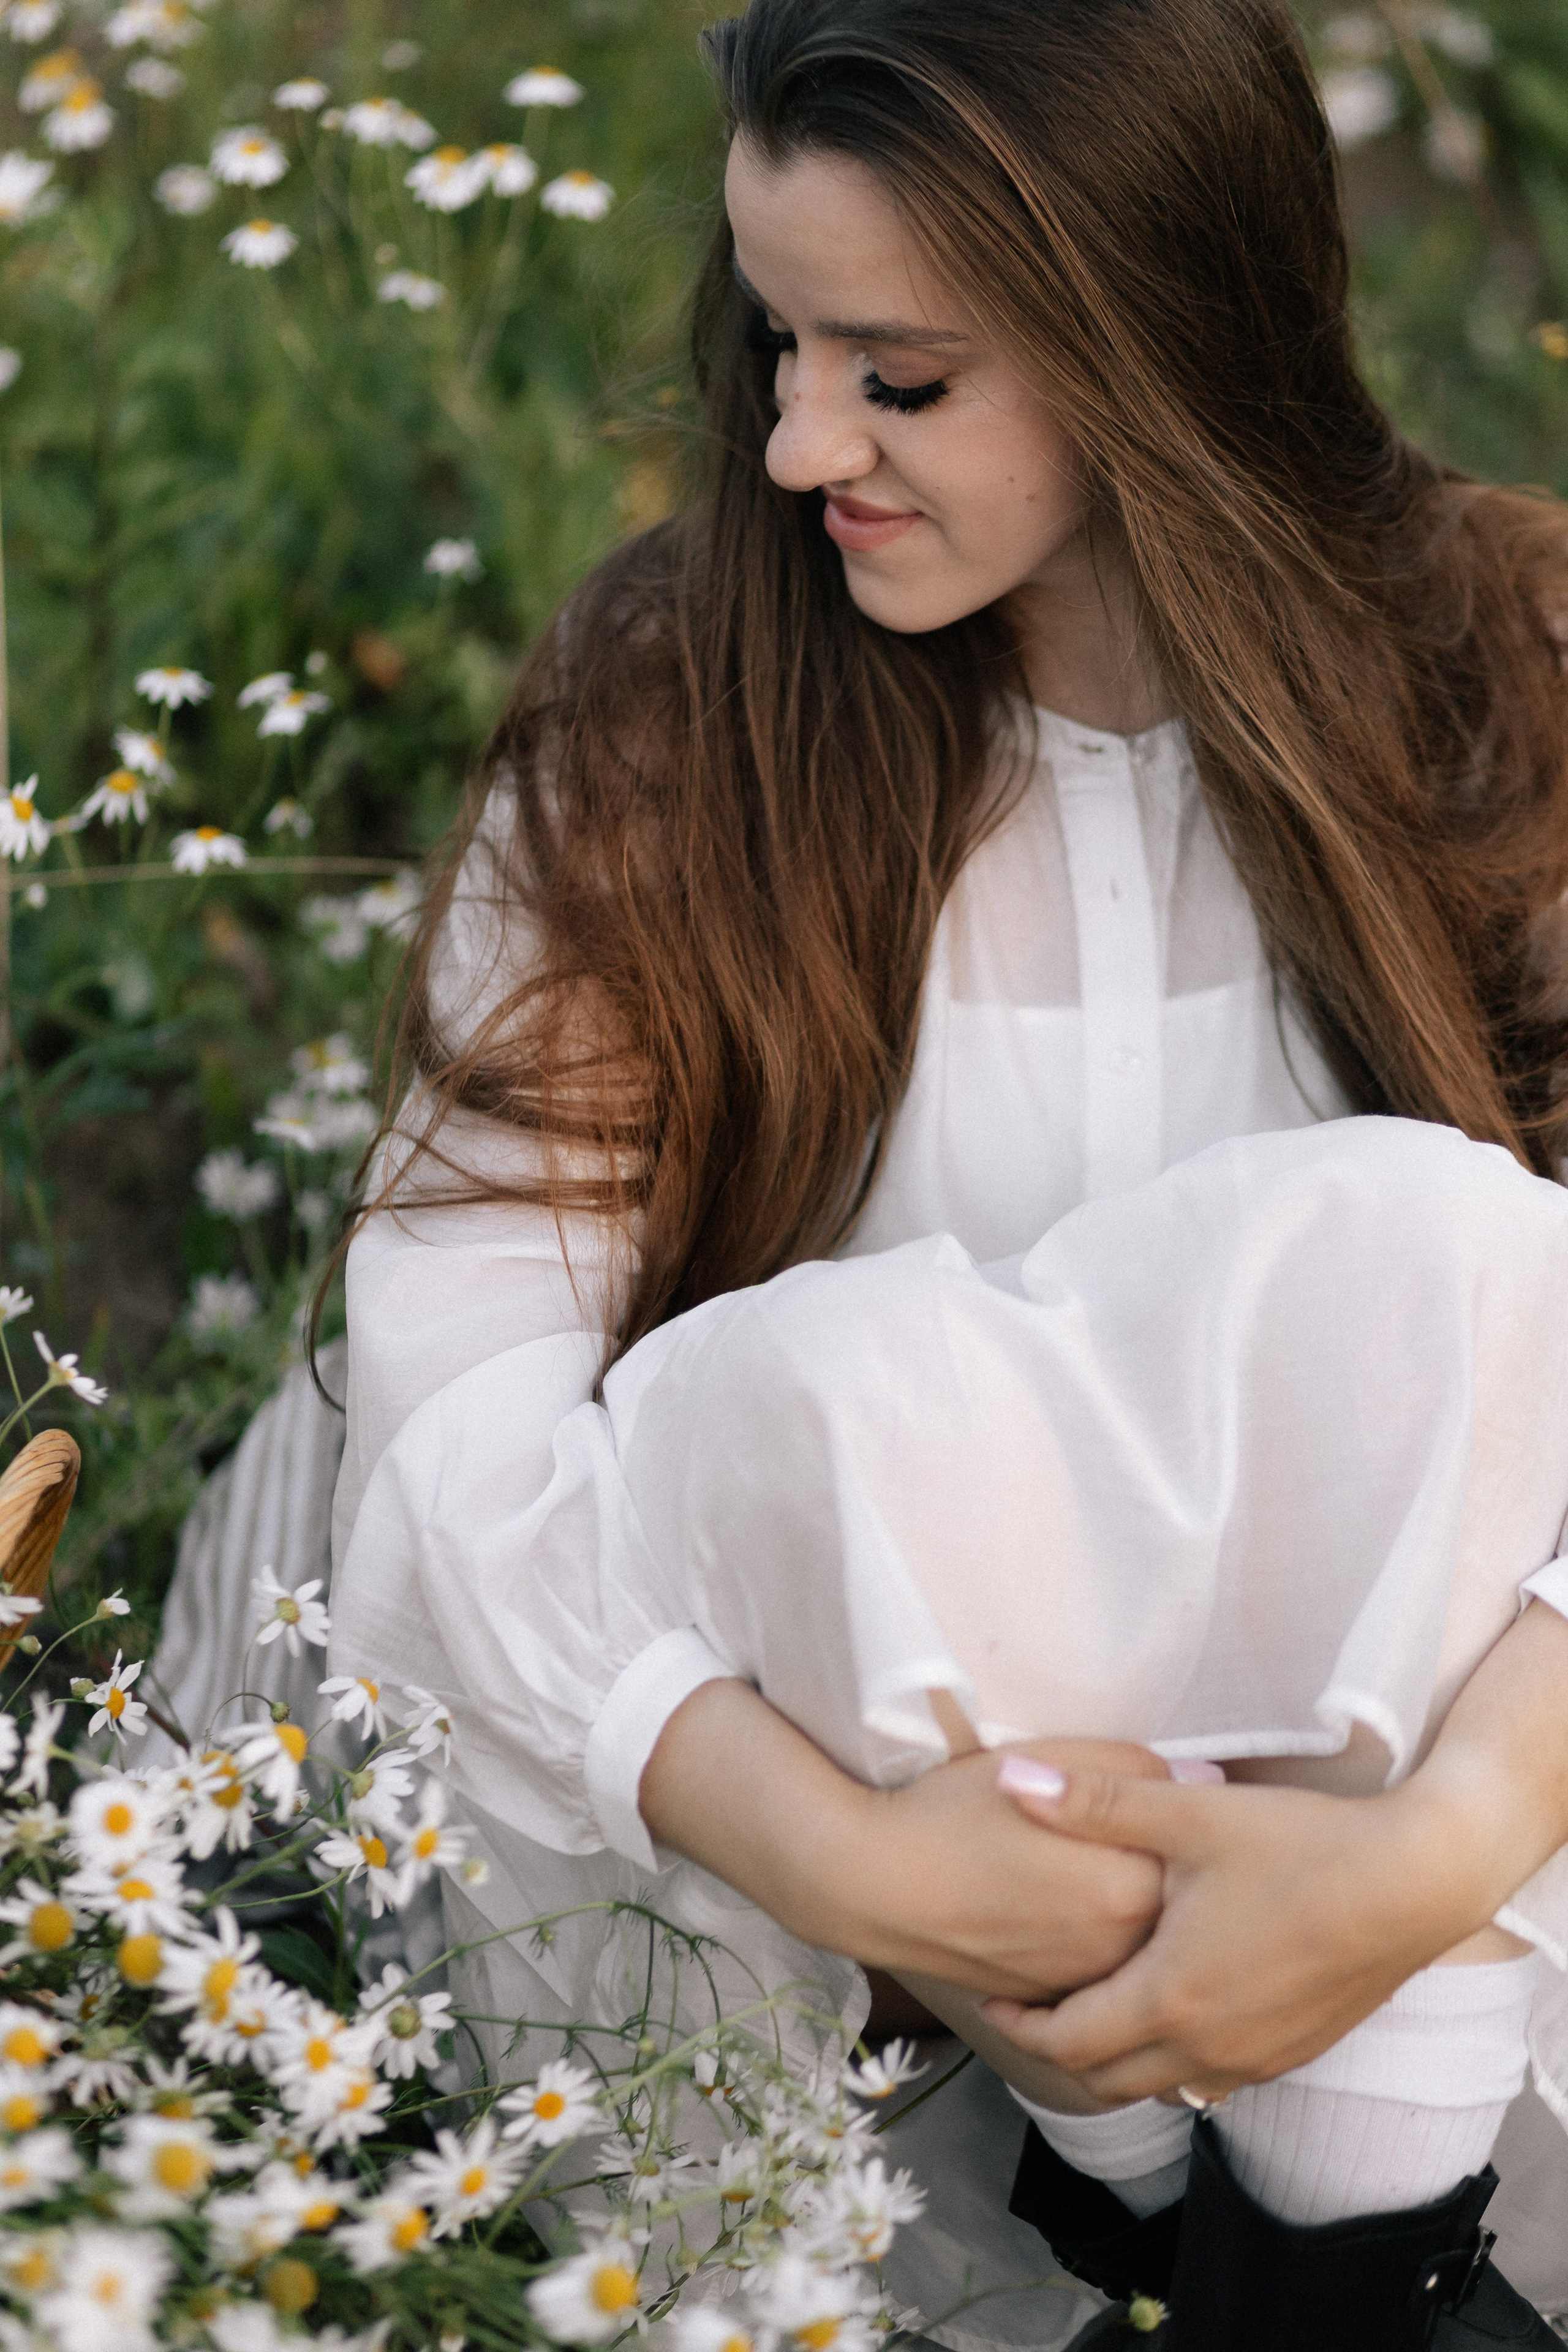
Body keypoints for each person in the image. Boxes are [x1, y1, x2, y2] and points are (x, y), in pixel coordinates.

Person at [326, 1, 1568, 2343]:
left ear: (1157, 338)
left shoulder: (1518, 665)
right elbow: (462, 1403)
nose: (800, 443)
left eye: (898, 377)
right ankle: (1176, 2220)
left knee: (1438, 1257)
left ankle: (1348, 2251)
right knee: (837, 1383)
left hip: (1437, 1829)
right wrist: (861, 1861)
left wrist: (1433, 1853)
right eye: (776, 345)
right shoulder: (679, 716)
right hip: (829, 1845)